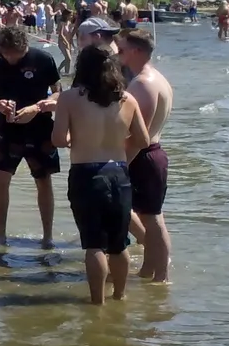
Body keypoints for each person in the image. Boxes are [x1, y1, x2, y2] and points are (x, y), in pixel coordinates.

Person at [53, 44, 151, 305]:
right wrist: (121, 156)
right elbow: (142, 139)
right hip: (118, 173)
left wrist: (77, 136)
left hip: (86, 173)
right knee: (119, 244)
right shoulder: (126, 99)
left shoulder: (70, 98)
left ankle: (97, 303)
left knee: (94, 244)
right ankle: (120, 296)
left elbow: (58, 139)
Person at [0, 23, 61, 247]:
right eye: (3, 53)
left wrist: (36, 108)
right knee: (1, 179)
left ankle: (47, 236)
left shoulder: (43, 59)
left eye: (11, 54)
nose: (7, 58)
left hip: (40, 128)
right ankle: (1, 235)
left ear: (23, 47)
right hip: (6, 129)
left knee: (43, 180)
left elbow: (58, 93)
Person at [118, 29, 173, 284]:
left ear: (137, 51)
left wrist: (121, 165)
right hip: (151, 153)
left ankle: (161, 277)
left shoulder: (144, 83)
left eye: (124, 48)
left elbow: (139, 134)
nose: (120, 52)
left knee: (153, 219)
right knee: (150, 218)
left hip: (144, 155)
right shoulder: (153, 78)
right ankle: (148, 271)